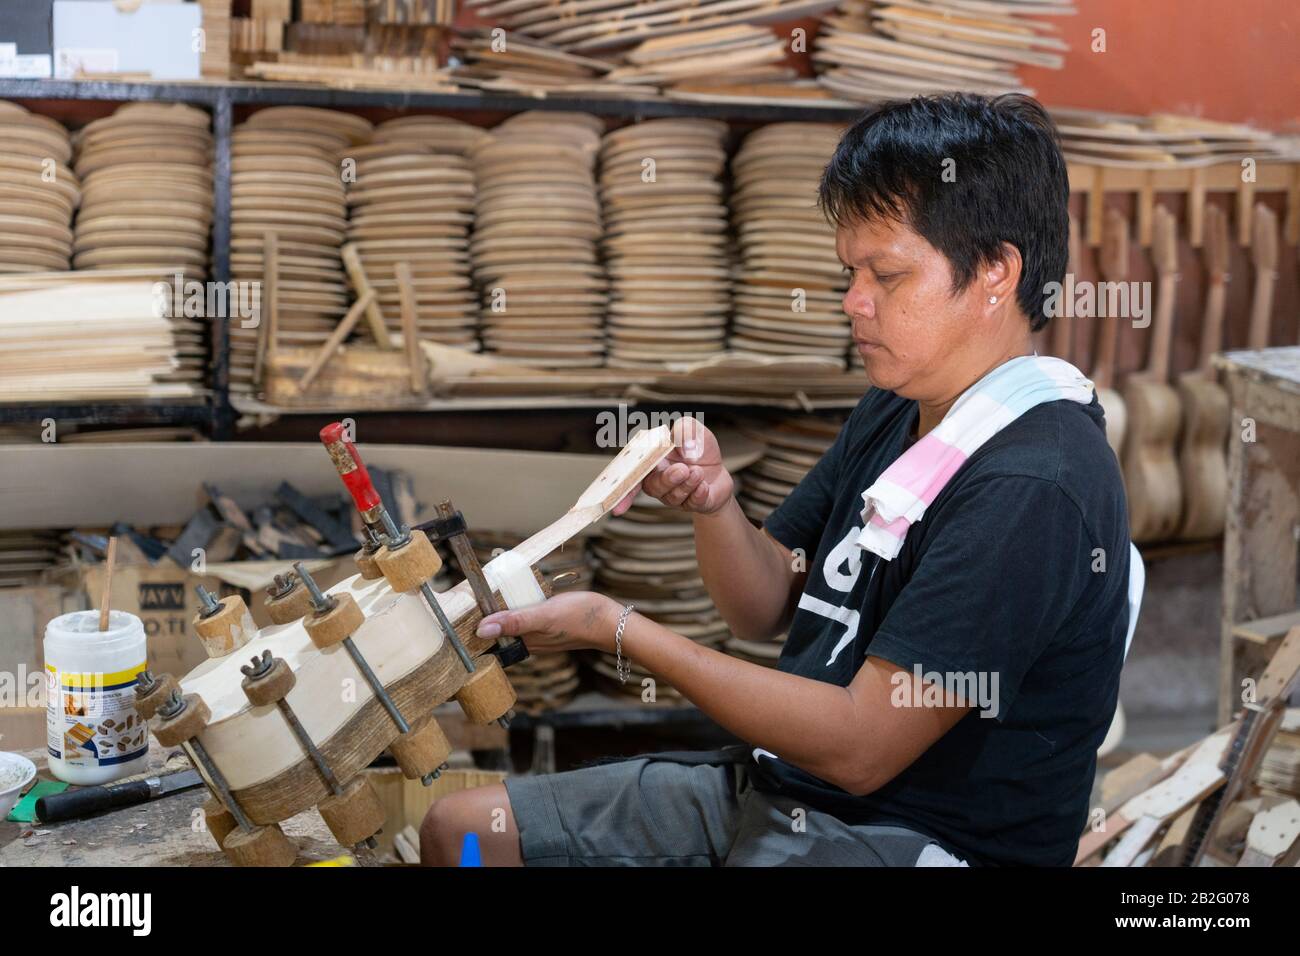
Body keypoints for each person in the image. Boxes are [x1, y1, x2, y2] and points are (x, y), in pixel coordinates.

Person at [420, 92, 1129, 867]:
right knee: (461, 834)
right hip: (788, 793)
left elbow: (861, 748)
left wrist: (618, 631)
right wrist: (717, 506)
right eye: (849, 272)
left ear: (996, 271)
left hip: (913, 839)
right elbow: (763, 609)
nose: (854, 303)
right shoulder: (898, 408)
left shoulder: (1034, 484)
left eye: (886, 275)